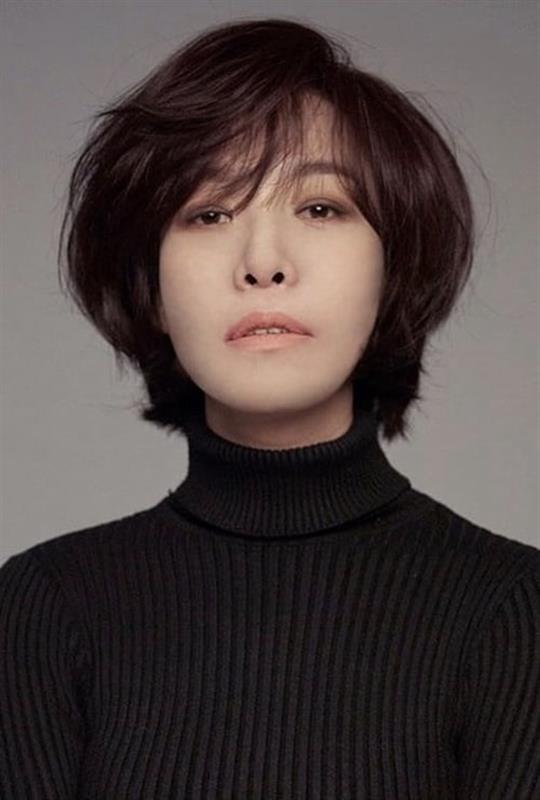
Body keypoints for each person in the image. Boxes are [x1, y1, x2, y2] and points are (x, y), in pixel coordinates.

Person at [1, 17, 538, 799]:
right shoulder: (44, 609)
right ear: (151, 289)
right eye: (208, 213)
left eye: (320, 207)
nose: (262, 263)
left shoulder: (514, 611)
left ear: (393, 269)